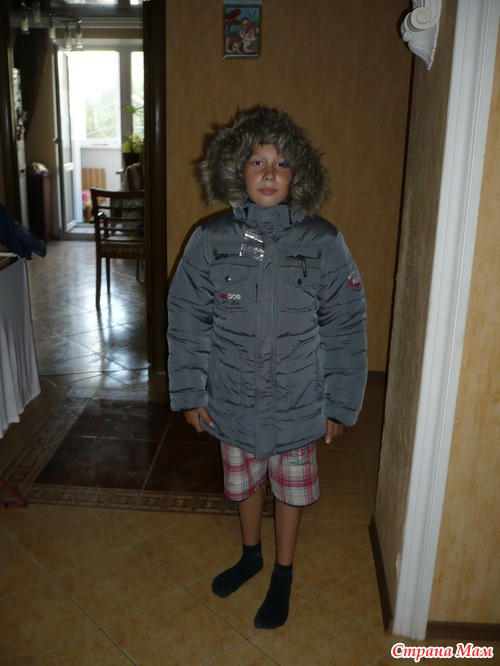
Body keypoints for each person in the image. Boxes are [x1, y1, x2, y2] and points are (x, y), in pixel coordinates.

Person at [167, 106, 367, 629]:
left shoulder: (325, 243)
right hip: (231, 398)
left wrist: (339, 403)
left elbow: (345, 325)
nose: (270, 173)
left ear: (299, 172)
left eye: (281, 162)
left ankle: (283, 571)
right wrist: (190, 393)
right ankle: (251, 554)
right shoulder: (210, 239)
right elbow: (187, 318)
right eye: (257, 161)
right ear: (238, 169)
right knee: (245, 484)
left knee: (289, 490)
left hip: (299, 402)